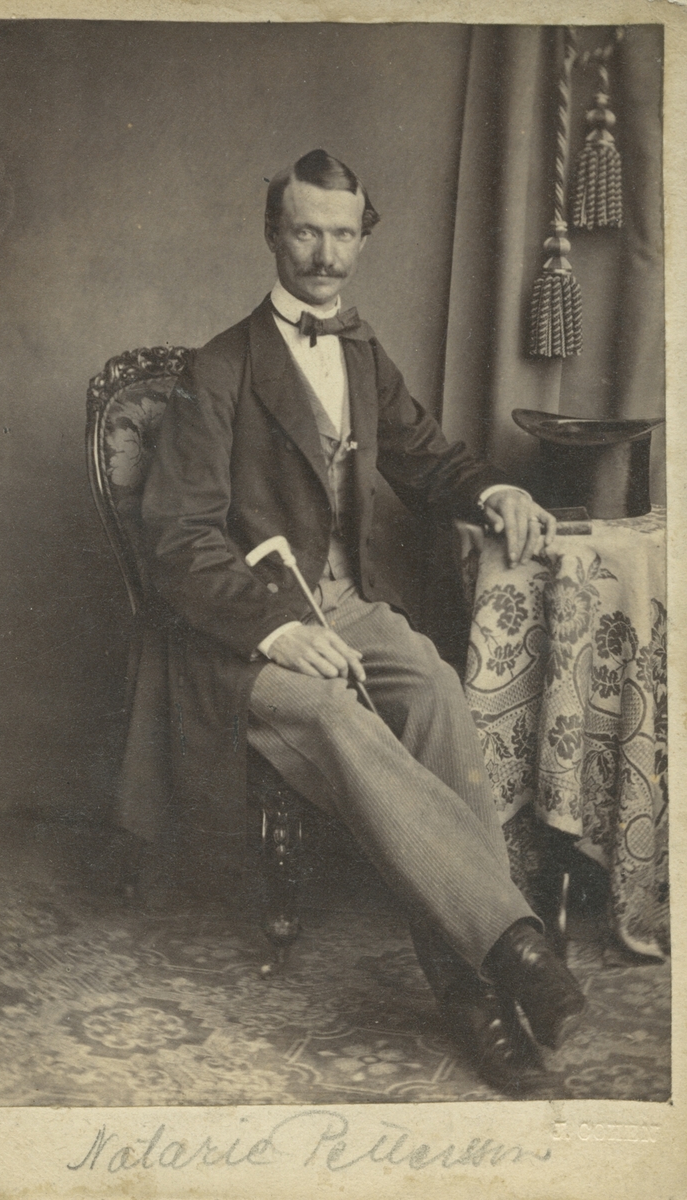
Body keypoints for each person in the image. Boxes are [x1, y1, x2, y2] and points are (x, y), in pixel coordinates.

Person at [140, 149, 585, 1093]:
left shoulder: (360, 350)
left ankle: (481, 974)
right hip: (240, 637)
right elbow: (177, 541)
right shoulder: (220, 367)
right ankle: (503, 967)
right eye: (306, 231)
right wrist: (275, 630)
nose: (325, 255)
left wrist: (497, 491)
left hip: (345, 604)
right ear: (273, 233)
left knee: (435, 689)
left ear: (362, 239)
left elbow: (428, 458)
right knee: (339, 718)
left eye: (343, 234)